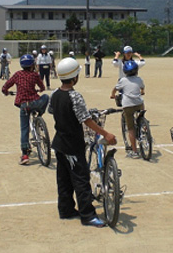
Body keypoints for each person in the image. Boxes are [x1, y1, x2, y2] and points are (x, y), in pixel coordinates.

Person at [48, 57, 116, 227]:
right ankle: (88, 215)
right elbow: (85, 119)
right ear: (74, 77)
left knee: (63, 179)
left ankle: (66, 209)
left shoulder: (55, 94)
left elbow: (51, 110)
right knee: (81, 180)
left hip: (59, 143)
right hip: (72, 145)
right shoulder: (74, 96)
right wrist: (105, 133)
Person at [2, 54, 49, 165]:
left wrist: (7, 93)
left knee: (24, 129)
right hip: (35, 102)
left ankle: (25, 154)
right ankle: (39, 116)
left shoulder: (17, 74)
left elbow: (5, 87)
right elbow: (42, 87)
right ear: (32, 64)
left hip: (24, 105)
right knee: (46, 97)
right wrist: (39, 89)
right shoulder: (35, 75)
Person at [111, 61, 146, 158]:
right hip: (139, 103)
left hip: (128, 105)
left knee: (130, 128)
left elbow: (115, 89)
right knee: (141, 116)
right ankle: (144, 129)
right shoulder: (139, 79)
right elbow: (142, 87)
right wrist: (142, 91)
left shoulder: (122, 80)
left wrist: (112, 95)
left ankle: (135, 151)